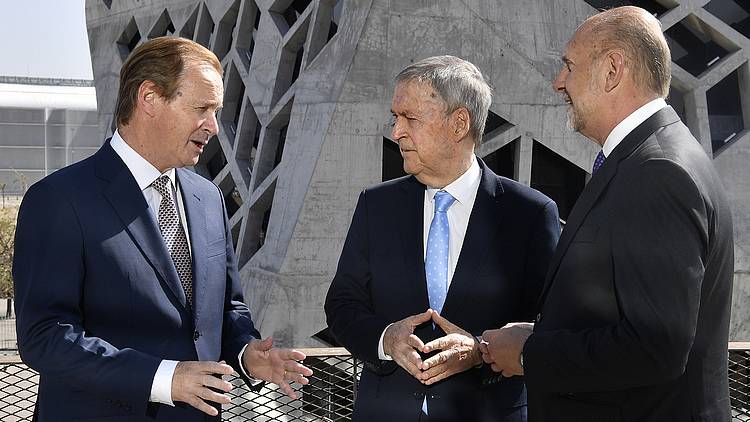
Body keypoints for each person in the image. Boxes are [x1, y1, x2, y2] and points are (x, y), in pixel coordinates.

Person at [13, 37, 313, 422]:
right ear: (149, 98)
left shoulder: (209, 198)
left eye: (217, 111)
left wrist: (246, 352)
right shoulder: (57, 200)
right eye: (203, 109)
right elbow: (45, 337)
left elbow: (226, 307)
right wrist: (163, 378)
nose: (214, 127)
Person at [479, 6, 734, 422]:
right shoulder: (651, 157)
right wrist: (540, 336)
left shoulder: (658, 173)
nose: (558, 82)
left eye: (569, 66)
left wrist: (529, 354)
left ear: (612, 70)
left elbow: (655, 347)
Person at [324, 55, 561, 422]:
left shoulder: (530, 215)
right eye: (395, 117)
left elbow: (552, 326)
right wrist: (386, 338)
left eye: (410, 118)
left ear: (459, 123)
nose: (396, 131)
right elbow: (342, 304)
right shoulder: (377, 205)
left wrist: (480, 349)